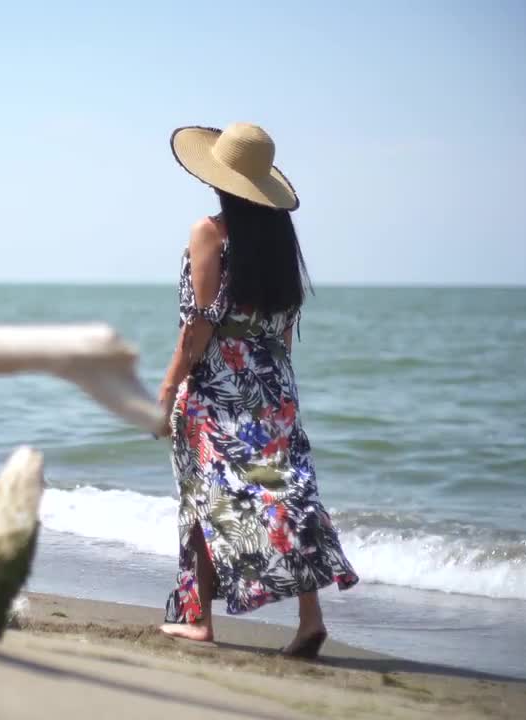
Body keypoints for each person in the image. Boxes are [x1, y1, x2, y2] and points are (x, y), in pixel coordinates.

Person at [156, 123, 359, 658]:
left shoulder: (210, 232)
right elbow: (285, 328)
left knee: (202, 495)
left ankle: (199, 620)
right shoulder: (279, 241)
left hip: (219, 381)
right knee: (286, 494)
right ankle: (309, 617)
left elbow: (199, 323)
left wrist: (170, 384)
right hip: (274, 383)